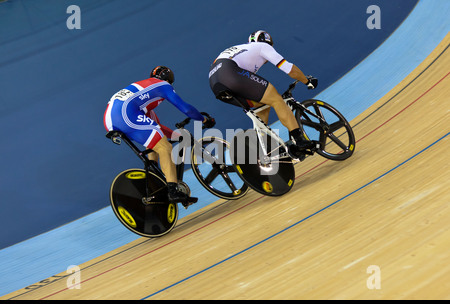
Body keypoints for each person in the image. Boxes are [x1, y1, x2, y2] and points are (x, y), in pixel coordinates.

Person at [104, 66, 215, 204]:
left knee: (155, 142)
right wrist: (204, 119)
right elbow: (186, 109)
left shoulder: (144, 95)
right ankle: (173, 191)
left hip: (113, 117)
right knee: (165, 148)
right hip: (125, 114)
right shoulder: (163, 85)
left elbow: (158, 128)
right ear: (169, 80)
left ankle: (155, 179)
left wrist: (178, 136)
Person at [209, 30, 318, 158]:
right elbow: (288, 68)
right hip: (230, 72)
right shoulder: (263, 47)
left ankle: (261, 148)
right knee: (276, 99)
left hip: (215, 82)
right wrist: (306, 80)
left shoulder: (244, 51)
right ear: (269, 43)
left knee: (262, 103)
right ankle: (300, 140)